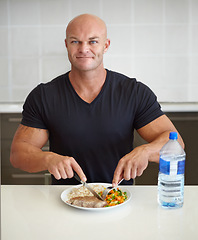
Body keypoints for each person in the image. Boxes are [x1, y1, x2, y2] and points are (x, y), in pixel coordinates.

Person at [10, 14, 184, 186]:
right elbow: (18, 155)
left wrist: (146, 151)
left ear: (105, 45)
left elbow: (176, 143)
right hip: (65, 202)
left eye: (93, 41)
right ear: (66, 45)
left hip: (118, 199)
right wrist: (47, 158)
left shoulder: (134, 92)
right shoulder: (43, 96)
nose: (84, 49)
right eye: (75, 41)